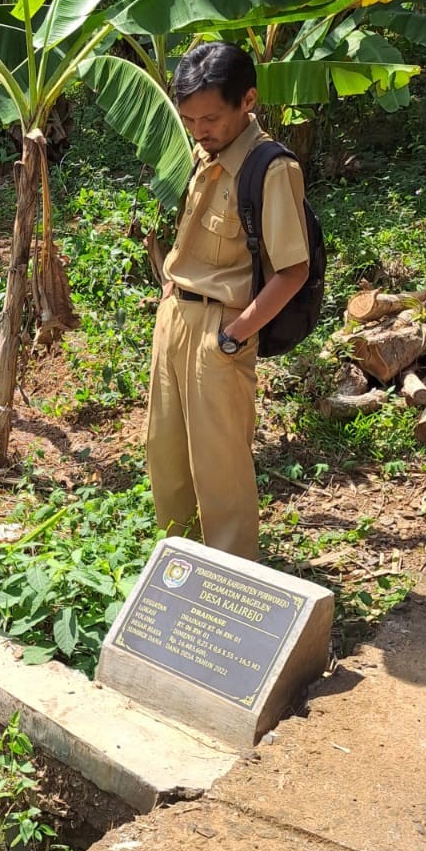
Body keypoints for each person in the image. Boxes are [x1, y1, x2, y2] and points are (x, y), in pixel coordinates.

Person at [145, 42, 310, 562]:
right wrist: (171, 291)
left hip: (220, 328)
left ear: (248, 101)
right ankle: (177, 574)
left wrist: (234, 332)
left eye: (211, 117)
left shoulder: (271, 169)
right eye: (190, 119)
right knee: (166, 460)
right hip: (175, 319)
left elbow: (293, 270)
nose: (199, 129)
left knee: (221, 472)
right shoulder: (205, 155)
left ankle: (229, 582)